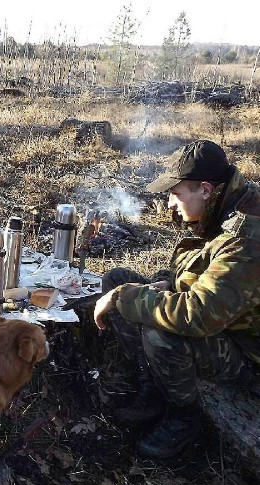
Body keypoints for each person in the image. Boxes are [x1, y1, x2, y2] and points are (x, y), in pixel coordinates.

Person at [93, 139, 260, 459]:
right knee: (117, 278)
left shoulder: (245, 237)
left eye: (176, 193)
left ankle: (184, 417)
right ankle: (153, 386)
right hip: (227, 317)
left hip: (248, 350)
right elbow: (200, 273)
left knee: (161, 328)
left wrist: (125, 298)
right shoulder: (226, 202)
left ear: (206, 190)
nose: (169, 204)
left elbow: (198, 315)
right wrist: (157, 284)